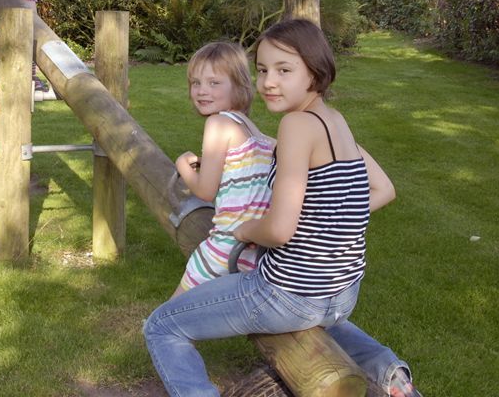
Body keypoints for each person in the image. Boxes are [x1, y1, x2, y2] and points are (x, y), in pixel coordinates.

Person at [143, 19, 423, 397]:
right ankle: (389, 374)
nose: (268, 82)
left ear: (315, 71)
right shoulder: (337, 123)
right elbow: (382, 189)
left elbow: (278, 231)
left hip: (287, 294)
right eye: (262, 70)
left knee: (162, 325)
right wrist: (324, 223)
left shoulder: (295, 125)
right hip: (342, 294)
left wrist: (245, 230)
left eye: (284, 70)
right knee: (319, 319)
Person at [171, 42, 275, 298]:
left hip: (224, 246)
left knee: (168, 317)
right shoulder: (255, 132)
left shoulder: (217, 123)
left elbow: (206, 191)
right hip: (253, 250)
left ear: (239, 86)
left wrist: (183, 165)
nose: (202, 91)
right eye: (196, 83)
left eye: (214, 83)